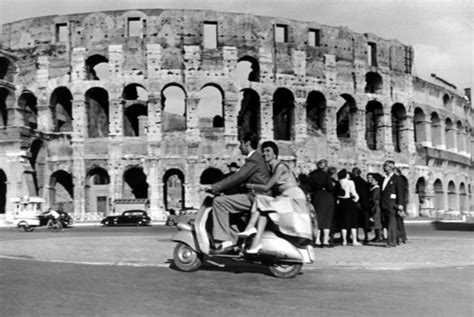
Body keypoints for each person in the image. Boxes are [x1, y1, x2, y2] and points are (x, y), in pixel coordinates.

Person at [238, 141, 312, 253]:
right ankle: (256, 242)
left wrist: (249, 185)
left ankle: (251, 227)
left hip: (293, 197)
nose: (264, 153)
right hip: (285, 196)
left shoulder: (280, 166)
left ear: (275, 154)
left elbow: (267, 187)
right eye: (263, 151)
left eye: (268, 151)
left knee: (261, 200)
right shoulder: (272, 168)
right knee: (263, 208)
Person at [209, 132, 270, 251]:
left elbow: (237, 177)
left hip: (256, 197)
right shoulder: (255, 158)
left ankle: (224, 240)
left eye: (241, 143)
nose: (239, 147)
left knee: (219, 202)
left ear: (247, 143)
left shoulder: (254, 159)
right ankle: (235, 240)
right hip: (256, 195)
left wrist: (215, 187)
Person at [307, 159, 335, 247]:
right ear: (325, 166)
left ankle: (317, 239)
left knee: (317, 218)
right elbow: (330, 187)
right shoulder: (326, 175)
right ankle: (325, 240)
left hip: (316, 196)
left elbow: (308, 187)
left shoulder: (312, 175)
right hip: (326, 197)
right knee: (327, 218)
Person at [381, 160, 404, 247]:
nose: (383, 167)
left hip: (393, 204)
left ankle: (391, 242)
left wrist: (400, 204)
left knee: (391, 223)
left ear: (390, 167)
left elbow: (400, 192)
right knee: (386, 223)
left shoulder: (397, 178)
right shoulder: (384, 178)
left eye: (385, 166)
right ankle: (398, 236)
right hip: (383, 204)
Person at [337, 169, 361, 246]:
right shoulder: (350, 182)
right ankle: (354, 240)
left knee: (343, 222)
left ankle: (344, 240)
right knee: (353, 222)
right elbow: (354, 192)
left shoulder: (339, 182)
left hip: (341, 202)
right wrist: (356, 199)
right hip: (349, 202)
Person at [352, 167, 371, 244]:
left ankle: (355, 237)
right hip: (364, 204)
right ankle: (366, 236)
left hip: (355, 203)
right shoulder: (364, 182)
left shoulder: (352, 182)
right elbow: (366, 194)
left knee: (355, 221)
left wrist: (357, 202)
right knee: (364, 222)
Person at [394, 167, 408, 244]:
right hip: (401, 203)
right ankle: (403, 237)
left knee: (398, 221)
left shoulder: (399, 180)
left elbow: (400, 194)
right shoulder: (402, 180)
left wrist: (400, 205)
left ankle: (400, 237)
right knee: (399, 222)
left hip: (399, 203)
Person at [367, 173, 382, 242]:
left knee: (377, 222)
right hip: (375, 205)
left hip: (376, 206)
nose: (371, 180)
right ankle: (377, 236)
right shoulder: (373, 188)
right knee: (375, 222)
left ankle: (378, 236)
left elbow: (374, 198)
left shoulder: (376, 188)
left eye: (373, 179)